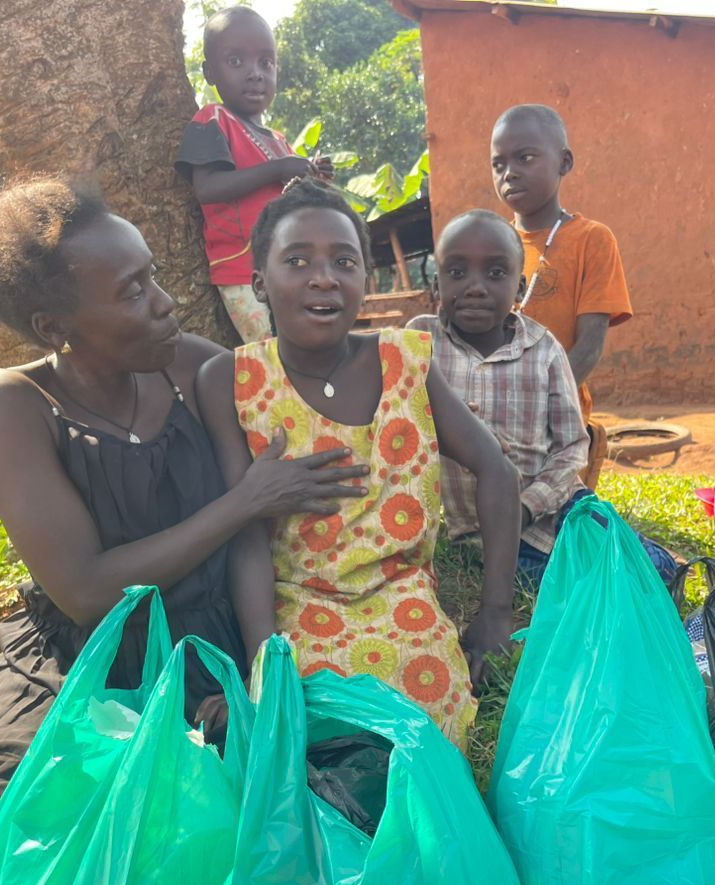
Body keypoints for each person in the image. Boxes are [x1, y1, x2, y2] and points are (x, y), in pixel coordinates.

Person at [0, 178, 367, 885]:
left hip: (212, 642)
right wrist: (242, 501)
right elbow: (87, 590)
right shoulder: (13, 404)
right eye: (135, 290)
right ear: (54, 324)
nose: (167, 301)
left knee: (303, 805)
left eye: (156, 274)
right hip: (89, 662)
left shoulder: (195, 369)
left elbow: (306, 418)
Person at [196, 180, 521, 749]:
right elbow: (244, 533)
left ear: (365, 283)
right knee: (303, 710)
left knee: (431, 700)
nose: (323, 277)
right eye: (297, 261)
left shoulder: (405, 360)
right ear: (258, 284)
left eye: (343, 261)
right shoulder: (232, 380)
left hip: (398, 592)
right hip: (298, 599)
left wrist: (495, 611)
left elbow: (497, 471)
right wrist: (262, 663)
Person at [409, 210, 677, 588]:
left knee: (652, 567)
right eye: (456, 273)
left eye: (495, 274)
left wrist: (527, 505)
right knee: (566, 584)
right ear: (436, 287)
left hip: (557, 508)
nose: (475, 287)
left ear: (519, 289)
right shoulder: (419, 343)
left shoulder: (543, 350)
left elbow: (571, 447)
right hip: (485, 533)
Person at [491, 104, 632, 486]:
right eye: (498, 163)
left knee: (555, 521)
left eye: (525, 157)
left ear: (564, 162)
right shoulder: (491, 245)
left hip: (558, 417)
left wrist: (538, 406)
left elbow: (589, 344)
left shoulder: (590, 240)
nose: (509, 173)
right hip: (492, 416)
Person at [175, 5, 332, 344]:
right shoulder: (212, 120)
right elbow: (208, 188)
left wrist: (311, 176)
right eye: (236, 62)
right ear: (209, 72)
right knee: (272, 352)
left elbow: (291, 195)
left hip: (290, 269)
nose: (255, 73)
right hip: (242, 271)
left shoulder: (277, 140)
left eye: (266, 62)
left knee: (306, 346)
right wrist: (279, 168)